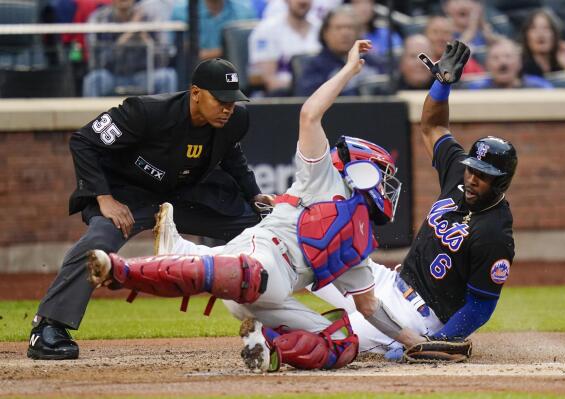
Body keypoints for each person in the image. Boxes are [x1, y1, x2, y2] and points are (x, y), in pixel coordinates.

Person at [86, 40, 430, 372]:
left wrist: (417, 343)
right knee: (255, 275)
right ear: (362, 169)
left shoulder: (356, 243)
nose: (386, 186)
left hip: (272, 298)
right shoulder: (322, 177)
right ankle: (121, 271)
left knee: (343, 343)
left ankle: (268, 347)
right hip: (260, 262)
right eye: (381, 175)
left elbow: (369, 307)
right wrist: (349, 70)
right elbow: (310, 114)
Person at [27, 58, 273, 360]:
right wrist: (104, 198)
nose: (228, 107)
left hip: (184, 195)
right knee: (101, 239)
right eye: (220, 99)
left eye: (233, 100)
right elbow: (83, 141)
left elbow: (232, 159)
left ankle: (289, 317)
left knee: (260, 226)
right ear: (196, 92)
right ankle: (49, 327)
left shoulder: (235, 120)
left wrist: (255, 196)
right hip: (128, 195)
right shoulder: (146, 111)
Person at [314, 40, 518, 358]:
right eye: (472, 169)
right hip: (388, 282)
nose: (473, 177)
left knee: (322, 342)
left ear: (502, 181)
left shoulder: (495, 233)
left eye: (484, 175)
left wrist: (437, 342)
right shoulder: (458, 177)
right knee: (314, 252)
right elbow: (433, 125)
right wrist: (441, 86)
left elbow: (480, 308)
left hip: (415, 317)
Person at [82, 0, 178, 96]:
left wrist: (145, 37)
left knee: (167, 76)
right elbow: (98, 61)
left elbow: (163, 59)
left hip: (144, 75)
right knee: (93, 80)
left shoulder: (149, 16)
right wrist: (129, 32)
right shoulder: (99, 18)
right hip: (112, 76)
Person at [295, 6, 385, 96]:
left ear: (359, 32)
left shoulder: (373, 62)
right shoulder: (314, 67)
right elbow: (309, 101)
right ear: (325, 33)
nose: (345, 33)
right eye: (339, 28)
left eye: (350, 27)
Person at [248, 0, 321, 96]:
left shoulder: (320, 27)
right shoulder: (267, 29)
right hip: (282, 96)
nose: (303, 1)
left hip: (318, 93)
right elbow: (269, 80)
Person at [171, 0, 255, 60]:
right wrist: (227, 51)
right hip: (192, 73)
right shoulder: (181, 11)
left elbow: (250, 50)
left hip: (234, 70)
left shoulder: (244, 11)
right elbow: (186, 54)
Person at [465, 38, 553, 90]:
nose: (503, 62)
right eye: (495, 58)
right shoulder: (477, 90)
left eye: (508, 56)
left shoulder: (538, 87)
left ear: (520, 63)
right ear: (487, 65)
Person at [520, 9, 565, 78]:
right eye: (533, 28)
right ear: (526, 35)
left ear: (555, 35)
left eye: (546, 28)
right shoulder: (520, 67)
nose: (540, 34)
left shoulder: (560, 64)